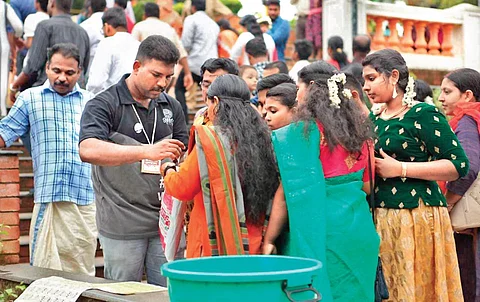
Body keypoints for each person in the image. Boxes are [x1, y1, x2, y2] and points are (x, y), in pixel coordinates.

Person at [79, 35, 189, 286]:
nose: (163, 83)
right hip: (122, 220)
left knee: (166, 292)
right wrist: (144, 152)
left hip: (166, 221)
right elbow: (87, 149)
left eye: (168, 77)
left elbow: (183, 153)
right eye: (156, 74)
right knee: (122, 292)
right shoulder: (104, 104)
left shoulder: (172, 107)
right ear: (137, 67)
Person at [362, 49, 468, 301]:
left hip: (417, 216)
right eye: (364, 80)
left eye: (371, 78)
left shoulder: (422, 114)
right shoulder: (374, 117)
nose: (366, 86)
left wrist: (401, 169)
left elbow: (458, 164)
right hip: (382, 216)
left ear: (393, 76)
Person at [264, 72, 380, 301]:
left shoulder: (300, 134)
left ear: (312, 89)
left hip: (323, 231)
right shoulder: (361, 134)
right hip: (358, 231)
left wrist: (268, 240)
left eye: (299, 87)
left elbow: (285, 196)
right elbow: (367, 187)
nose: (297, 94)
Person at [0, 43, 97, 275]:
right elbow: (4, 134)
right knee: (44, 274)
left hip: (85, 199)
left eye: (69, 73)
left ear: (80, 72)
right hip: (49, 198)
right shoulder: (30, 99)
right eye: (56, 71)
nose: (62, 78)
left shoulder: (90, 102)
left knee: (82, 274)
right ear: (46, 68)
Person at [162, 74, 279, 258]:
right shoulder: (264, 138)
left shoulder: (211, 142)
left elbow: (181, 187)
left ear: (215, 102)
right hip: (254, 244)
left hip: (213, 248)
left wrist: (167, 168)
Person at [439, 68, 480, 302]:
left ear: (467, 95)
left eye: (447, 91)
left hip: (470, 219)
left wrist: (448, 203)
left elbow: (468, 166)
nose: (441, 98)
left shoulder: (467, 121)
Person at [10, 0, 90, 96]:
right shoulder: (83, 32)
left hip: (49, 91)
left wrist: (14, 86)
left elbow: (32, 66)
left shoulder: (45, 27)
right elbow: (84, 66)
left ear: (52, 3)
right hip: (77, 92)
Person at [131, 2, 193, 103]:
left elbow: (131, 51)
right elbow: (181, 52)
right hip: (168, 72)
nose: (161, 83)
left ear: (144, 15)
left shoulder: (139, 27)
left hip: (145, 77)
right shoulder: (168, 28)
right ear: (159, 15)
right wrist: (187, 73)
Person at [176, 0, 219, 124]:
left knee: (179, 89)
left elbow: (185, 44)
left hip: (195, 64)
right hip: (211, 65)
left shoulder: (191, 19)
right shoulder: (213, 23)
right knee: (211, 93)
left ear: (193, 7)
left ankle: (182, 121)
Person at [86, 7, 140, 95]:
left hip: (110, 101)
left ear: (107, 27)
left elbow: (96, 83)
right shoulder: (138, 44)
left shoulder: (106, 43)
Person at [193, 58, 239, 126]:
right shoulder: (200, 115)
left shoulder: (245, 116)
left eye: (217, 85)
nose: (210, 91)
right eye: (206, 85)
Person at [0, 1, 22, 116]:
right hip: (2, 44)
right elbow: (18, 26)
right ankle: (2, 110)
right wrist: (17, 37)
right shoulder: (4, 5)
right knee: (2, 76)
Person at [80, 0, 106, 74]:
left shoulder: (84, 26)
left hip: (90, 70)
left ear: (90, 9)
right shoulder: (113, 23)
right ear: (105, 8)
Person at [22, 0, 49, 68]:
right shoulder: (52, 19)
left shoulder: (31, 18)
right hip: (49, 63)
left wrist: (21, 42)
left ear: (37, 3)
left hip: (32, 62)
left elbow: (30, 44)